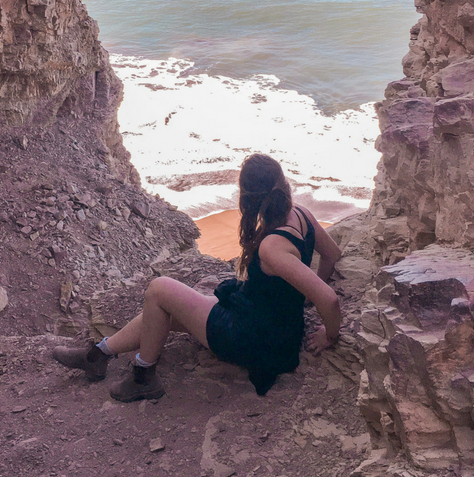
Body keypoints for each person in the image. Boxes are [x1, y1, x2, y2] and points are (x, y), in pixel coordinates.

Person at [53, 153, 342, 402]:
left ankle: (143, 378)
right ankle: (98, 356)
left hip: (254, 339)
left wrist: (329, 335)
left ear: (248, 196)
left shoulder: (272, 247)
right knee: (161, 313)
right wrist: (302, 298)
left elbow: (329, 300)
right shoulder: (302, 215)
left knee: (159, 290)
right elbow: (332, 254)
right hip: (269, 324)